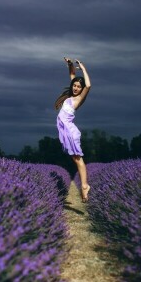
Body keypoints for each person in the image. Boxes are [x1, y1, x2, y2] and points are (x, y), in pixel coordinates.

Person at [55, 57, 92, 202]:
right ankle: (84, 187)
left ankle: (84, 186)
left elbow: (88, 86)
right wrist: (70, 64)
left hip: (70, 131)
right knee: (75, 159)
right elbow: (72, 76)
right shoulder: (70, 96)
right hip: (65, 131)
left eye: (78, 87)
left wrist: (83, 69)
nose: (76, 88)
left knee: (78, 159)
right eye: (75, 85)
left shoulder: (78, 99)